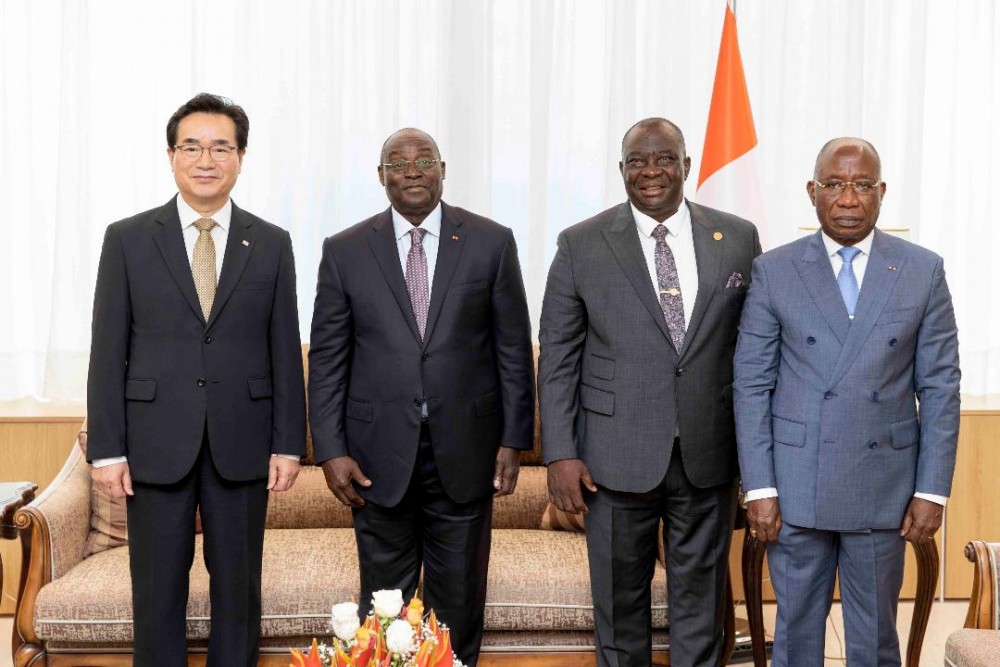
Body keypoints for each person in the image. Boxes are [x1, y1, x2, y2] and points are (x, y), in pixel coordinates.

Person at [87, 93, 306, 667]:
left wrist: (288, 443)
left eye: (220, 148)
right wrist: (107, 450)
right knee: (157, 591)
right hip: (154, 442)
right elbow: (107, 351)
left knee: (238, 592)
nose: (206, 160)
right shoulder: (128, 239)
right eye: (192, 147)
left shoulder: (272, 242)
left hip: (243, 442)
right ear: (171, 155)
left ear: (240, 158)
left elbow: (285, 350)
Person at [538, 117, 761, 666]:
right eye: (637, 160)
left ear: (687, 165)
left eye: (664, 158)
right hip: (612, 458)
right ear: (621, 170)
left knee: (703, 608)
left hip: (708, 452)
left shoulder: (737, 238)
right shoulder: (580, 243)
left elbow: (755, 350)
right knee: (620, 609)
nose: (651, 171)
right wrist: (560, 453)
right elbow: (558, 358)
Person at [307, 128, 535, 667]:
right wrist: (330, 449)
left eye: (424, 160)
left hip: (467, 449)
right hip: (375, 455)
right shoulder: (344, 250)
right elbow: (328, 360)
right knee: (384, 606)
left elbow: (512, 349)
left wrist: (513, 440)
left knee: (458, 600)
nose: (412, 171)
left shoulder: (490, 241)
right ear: (381, 176)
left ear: (443, 170)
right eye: (398, 163)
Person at [733, 137, 960, 666]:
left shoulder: (922, 269)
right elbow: (751, 383)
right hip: (796, 484)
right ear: (812, 191)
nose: (849, 199)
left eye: (862, 185)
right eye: (834, 184)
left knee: (876, 640)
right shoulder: (775, 270)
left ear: (882, 191)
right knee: (795, 638)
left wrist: (932, 491)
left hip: (884, 485)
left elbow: (940, 386)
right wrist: (759, 487)